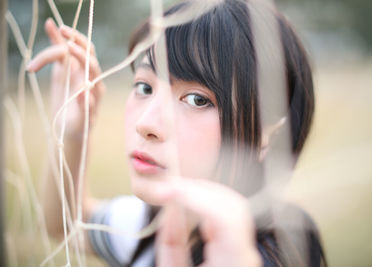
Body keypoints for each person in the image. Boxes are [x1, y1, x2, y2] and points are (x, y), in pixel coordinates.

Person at [29, 0, 326, 266]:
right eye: (144, 87)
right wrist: (72, 134)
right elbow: (67, 226)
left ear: (269, 134)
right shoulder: (153, 225)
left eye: (197, 100)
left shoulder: (271, 254)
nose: (146, 124)